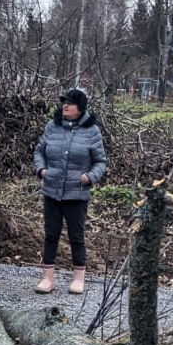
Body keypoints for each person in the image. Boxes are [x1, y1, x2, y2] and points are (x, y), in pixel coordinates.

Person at [32, 87, 107, 295]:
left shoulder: (92, 131)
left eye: (70, 103)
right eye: (64, 102)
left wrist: (88, 177)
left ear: (80, 108)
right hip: (51, 190)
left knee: (76, 236)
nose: (65, 106)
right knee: (51, 235)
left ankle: (78, 278)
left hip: (77, 193)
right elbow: (39, 152)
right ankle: (47, 278)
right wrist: (42, 170)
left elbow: (100, 162)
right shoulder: (52, 126)